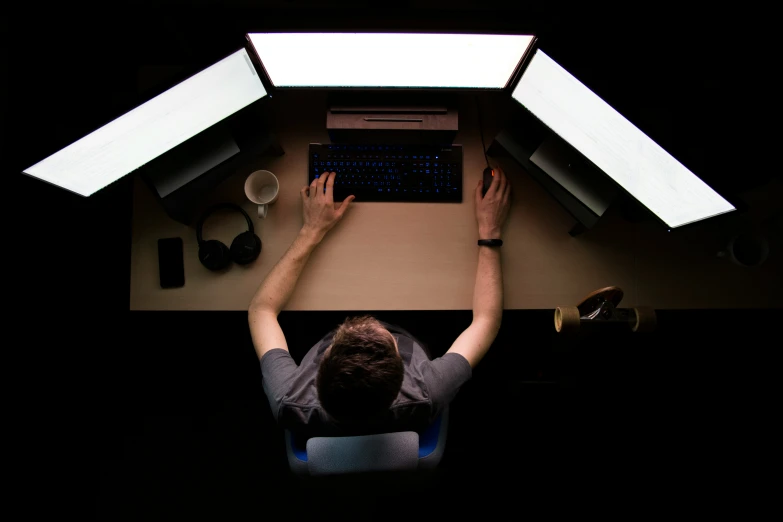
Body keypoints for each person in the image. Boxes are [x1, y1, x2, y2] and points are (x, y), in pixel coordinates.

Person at [249, 167, 511, 437]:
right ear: (401, 372)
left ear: (322, 361)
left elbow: (261, 310)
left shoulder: (288, 399)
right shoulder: (427, 390)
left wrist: (311, 230)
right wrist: (490, 230)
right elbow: (487, 320)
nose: (373, 320)